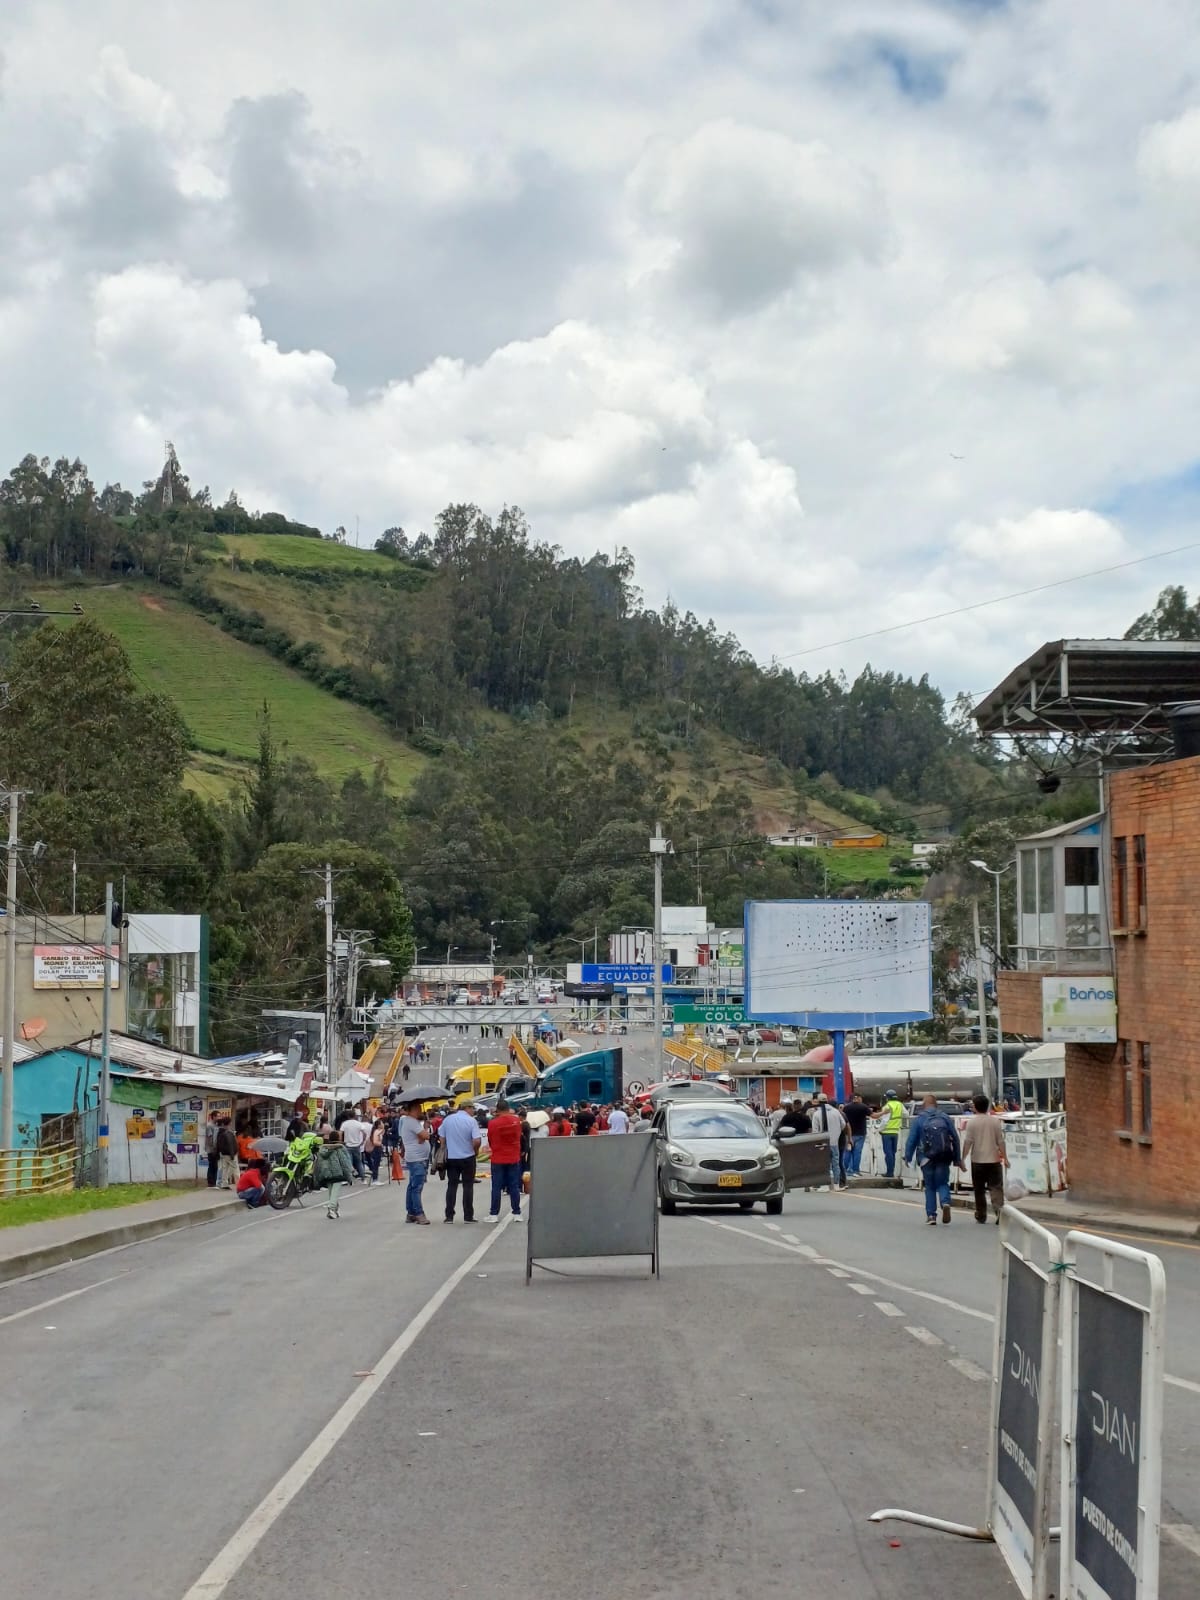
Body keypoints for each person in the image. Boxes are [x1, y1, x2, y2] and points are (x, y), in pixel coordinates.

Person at [904, 1094, 965, 1226]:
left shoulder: (920, 1119)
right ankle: (945, 1203)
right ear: (936, 1104)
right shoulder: (945, 1117)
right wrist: (957, 1158)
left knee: (930, 1186)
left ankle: (931, 1215)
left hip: (926, 1157)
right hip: (943, 1156)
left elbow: (912, 1140)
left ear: (923, 1105)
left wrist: (908, 1157)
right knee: (943, 1183)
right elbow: (955, 1138)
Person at [961, 1094, 1007, 1224]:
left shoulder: (972, 1123)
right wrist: (1006, 1158)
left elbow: (968, 1142)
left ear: (975, 1107)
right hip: (994, 1160)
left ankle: (981, 1214)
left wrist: (963, 1158)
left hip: (978, 1161)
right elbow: (1000, 1141)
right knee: (996, 1188)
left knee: (979, 1189)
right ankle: (999, 1212)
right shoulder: (995, 1121)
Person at [440, 1102, 482, 1223]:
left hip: (452, 1157)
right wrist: (475, 1151)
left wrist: (444, 1147)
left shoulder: (448, 1119)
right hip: (468, 1156)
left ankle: (449, 1216)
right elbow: (477, 1140)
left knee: (452, 1186)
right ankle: (468, 1216)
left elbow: (442, 1137)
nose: (473, 1111)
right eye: (472, 1108)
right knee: (468, 1186)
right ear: (467, 1108)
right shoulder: (471, 1121)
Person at [486, 1098, 524, 1221]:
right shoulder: (516, 1121)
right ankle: (517, 1212)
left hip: (498, 1157)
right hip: (513, 1156)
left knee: (496, 1187)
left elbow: (490, 1139)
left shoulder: (493, 1123)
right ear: (508, 1108)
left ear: (497, 1110)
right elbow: (518, 1136)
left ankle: (494, 1214)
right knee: (514, 1186)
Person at [400, 1106, 432, 1224]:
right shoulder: (411, 1122)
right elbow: (425, 1136)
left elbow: (421, 1138)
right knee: (417, 1187)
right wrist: (425, 1131)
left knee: (412, 1186)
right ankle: (419, 1213)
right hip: (417, 1158)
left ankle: (411, 1212)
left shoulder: (413, 1122)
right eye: (416, 1109)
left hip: (417, 1157)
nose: (419, 1111)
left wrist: (424, 1130)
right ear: (410, 1110)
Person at [314, 1129, 355, 1220]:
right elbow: (345, 1161)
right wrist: (349, 1173)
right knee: (335, 1192)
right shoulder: (340, 1148)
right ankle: (332, 1208)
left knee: (331, 1192)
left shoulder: (323, 1148)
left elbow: (318, 1162)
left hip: (326, 1173)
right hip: (338, 1172)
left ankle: (335, 1209)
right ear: (338, 1138)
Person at [811, 1095, 848, 1190]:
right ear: (827, 1100)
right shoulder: (836, 1112)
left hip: (822, 1143)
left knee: (824, 1164)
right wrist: (836, 1133)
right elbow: (843, 1125)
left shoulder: (817, 1114)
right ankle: (836, 1185)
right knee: (836, 1164)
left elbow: (815, 1131)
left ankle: (824, 1186)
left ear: (818, 1101)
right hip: (834, 1142)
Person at [872, 1091, 905, 1178]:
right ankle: (892, 1171)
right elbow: (906, 1114)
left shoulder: (887, 1106)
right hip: (896, 1132)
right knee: (893, 1153)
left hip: (886, 1133)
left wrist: (879, 1129)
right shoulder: (900, 1105)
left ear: (887, 1098)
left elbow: (884, 1121)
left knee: (888, 1153)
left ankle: (889, 1172)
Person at [842, 1092, 870, 1177]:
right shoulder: (864, 1107)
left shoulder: (846, 1108)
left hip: (849, 1134)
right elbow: (874, 1116)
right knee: (857, 1153)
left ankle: (845, 1170)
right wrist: (883, 1113)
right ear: (858, 1098)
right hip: (861, 1134)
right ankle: (856, 1170)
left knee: (848, 1152)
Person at [341, 1108, 371, 1181]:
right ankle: (363, 1178)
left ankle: (349, 1179)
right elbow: (364, 1133)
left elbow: (340, 1132)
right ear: (354, 1116)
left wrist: (341, 1141)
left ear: (348, 1116)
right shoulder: (358, 1123)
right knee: (359, 1162)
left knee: (349, 1163)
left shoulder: (345, 1124)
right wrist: (362, 1141)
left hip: (347, 1145)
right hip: (357, 1145)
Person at [215, 1117, 239, 1190]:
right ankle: (238, 1183)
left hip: (224, 1153)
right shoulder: (228, 1133)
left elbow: (218, 1144)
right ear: (228, 1124)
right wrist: (232, 1154)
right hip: (230, 1154)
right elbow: (230, 1145)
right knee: (235, 1168)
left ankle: (224, 1183)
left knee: (225, 1168)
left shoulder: (220, 1132)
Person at [365, 1117, 386, 1184]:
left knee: (376, 1164)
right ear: (379, 1125)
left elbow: (383, 1132)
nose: (383, 1124)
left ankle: (375, 1178)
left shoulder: (378, 1131)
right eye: (382, 1123)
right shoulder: (376, 1131)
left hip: (377, 1148)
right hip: (376, 1148)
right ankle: (375, 1179)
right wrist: (380, 1144)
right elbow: (375, 1142)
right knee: (376, 1164)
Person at [204, 1111, 220, 1188]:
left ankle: (214, 1181)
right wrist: (213, 1148)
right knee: (212, 1165)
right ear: (213, 1117)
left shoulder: (216, 1125)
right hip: (211, 1149)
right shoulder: (209, 1126)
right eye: (217, 1116)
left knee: (215, 1165)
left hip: (215, 1148)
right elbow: (210, 1138)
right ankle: (210, 1182)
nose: (219, 1118)